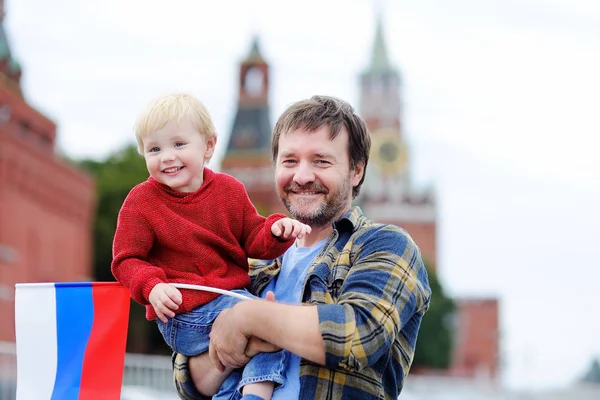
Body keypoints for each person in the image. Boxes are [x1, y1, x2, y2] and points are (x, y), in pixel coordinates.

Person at [171, 95, 432, 400]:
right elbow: (188, 378)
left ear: (356, 170)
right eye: (290, 161)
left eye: (321, 161)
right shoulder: (250, 261)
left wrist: (249, 319)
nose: (303, 176)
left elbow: (359, 335)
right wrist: (248, 345)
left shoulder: (385, 245)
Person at [111, 93, 311, 400]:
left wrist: (276, 230)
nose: (166, 156)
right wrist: (152, 286)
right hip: (183, 309)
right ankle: (258, 395)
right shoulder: (141, 202)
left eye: (178, 144)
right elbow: (126, 259)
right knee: (268, 322)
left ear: (208, 146)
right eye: (154, 148)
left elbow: (253, 238)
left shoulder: (229, 191)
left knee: (234, 370)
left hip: (229, 297)